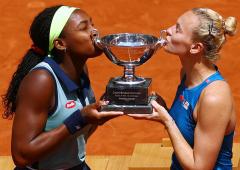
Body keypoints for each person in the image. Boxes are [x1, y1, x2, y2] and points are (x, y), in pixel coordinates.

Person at [1, 5, 123, 170]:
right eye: (84, 28)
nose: (94, 31)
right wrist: (79, 120)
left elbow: (76, 133)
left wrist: (102, 110)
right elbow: (21, 155)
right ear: (60, 44)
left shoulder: (80, 71)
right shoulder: (41, 81)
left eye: (92, 24)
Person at [128, 8, 237, 169]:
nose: (169, 31)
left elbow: (199, 167)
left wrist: (167, 121)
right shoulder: (186, 75)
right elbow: (190, 129)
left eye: (177, 29)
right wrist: (164, 110)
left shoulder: (214, 97)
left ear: (195, 47)